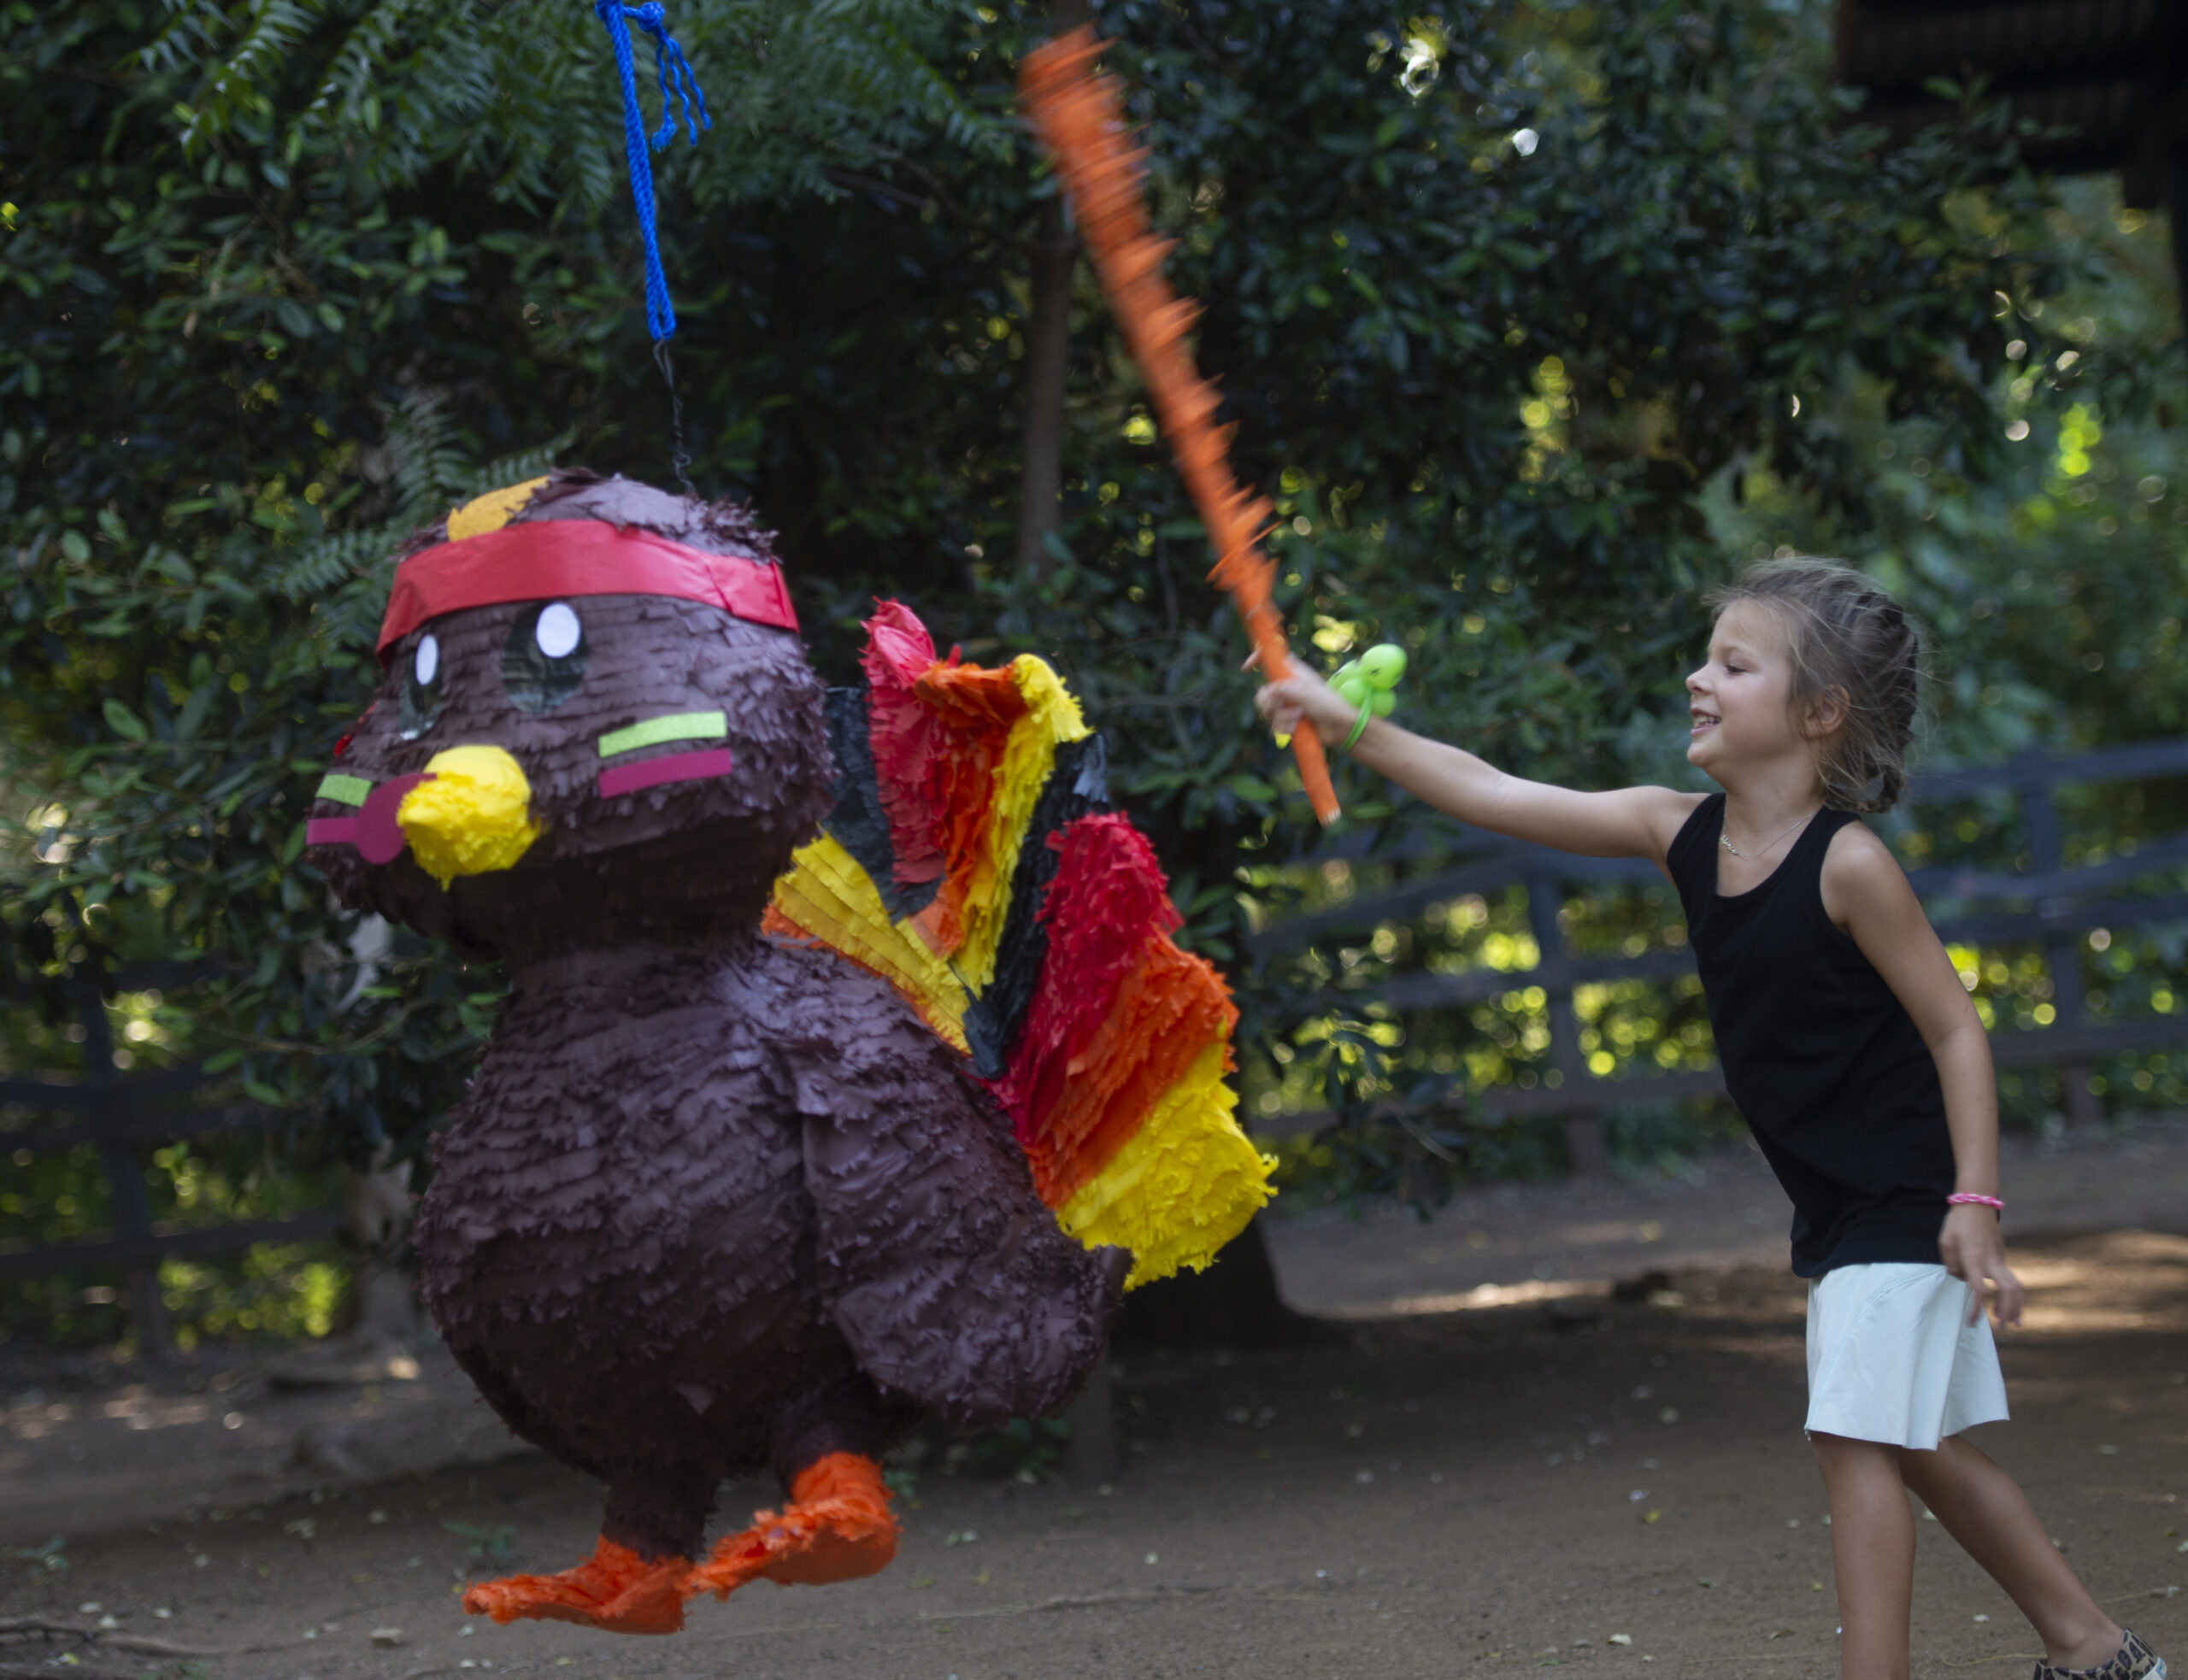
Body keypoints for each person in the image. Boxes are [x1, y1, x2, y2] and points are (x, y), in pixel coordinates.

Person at [1253, 557, 2167, 1680]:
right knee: (1916, 1444)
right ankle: (2094, 1647)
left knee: (1852, 1437)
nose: (1698, 677)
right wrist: (1350, 727)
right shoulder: (1672, 829)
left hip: (1909, 1200)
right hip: (1837, 1207)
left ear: (1819, 713)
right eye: (1707, 654)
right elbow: (1494, 791)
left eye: (1733, 663)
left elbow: (1957, 1031)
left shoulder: (1852, 866)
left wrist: (1976, 1203)